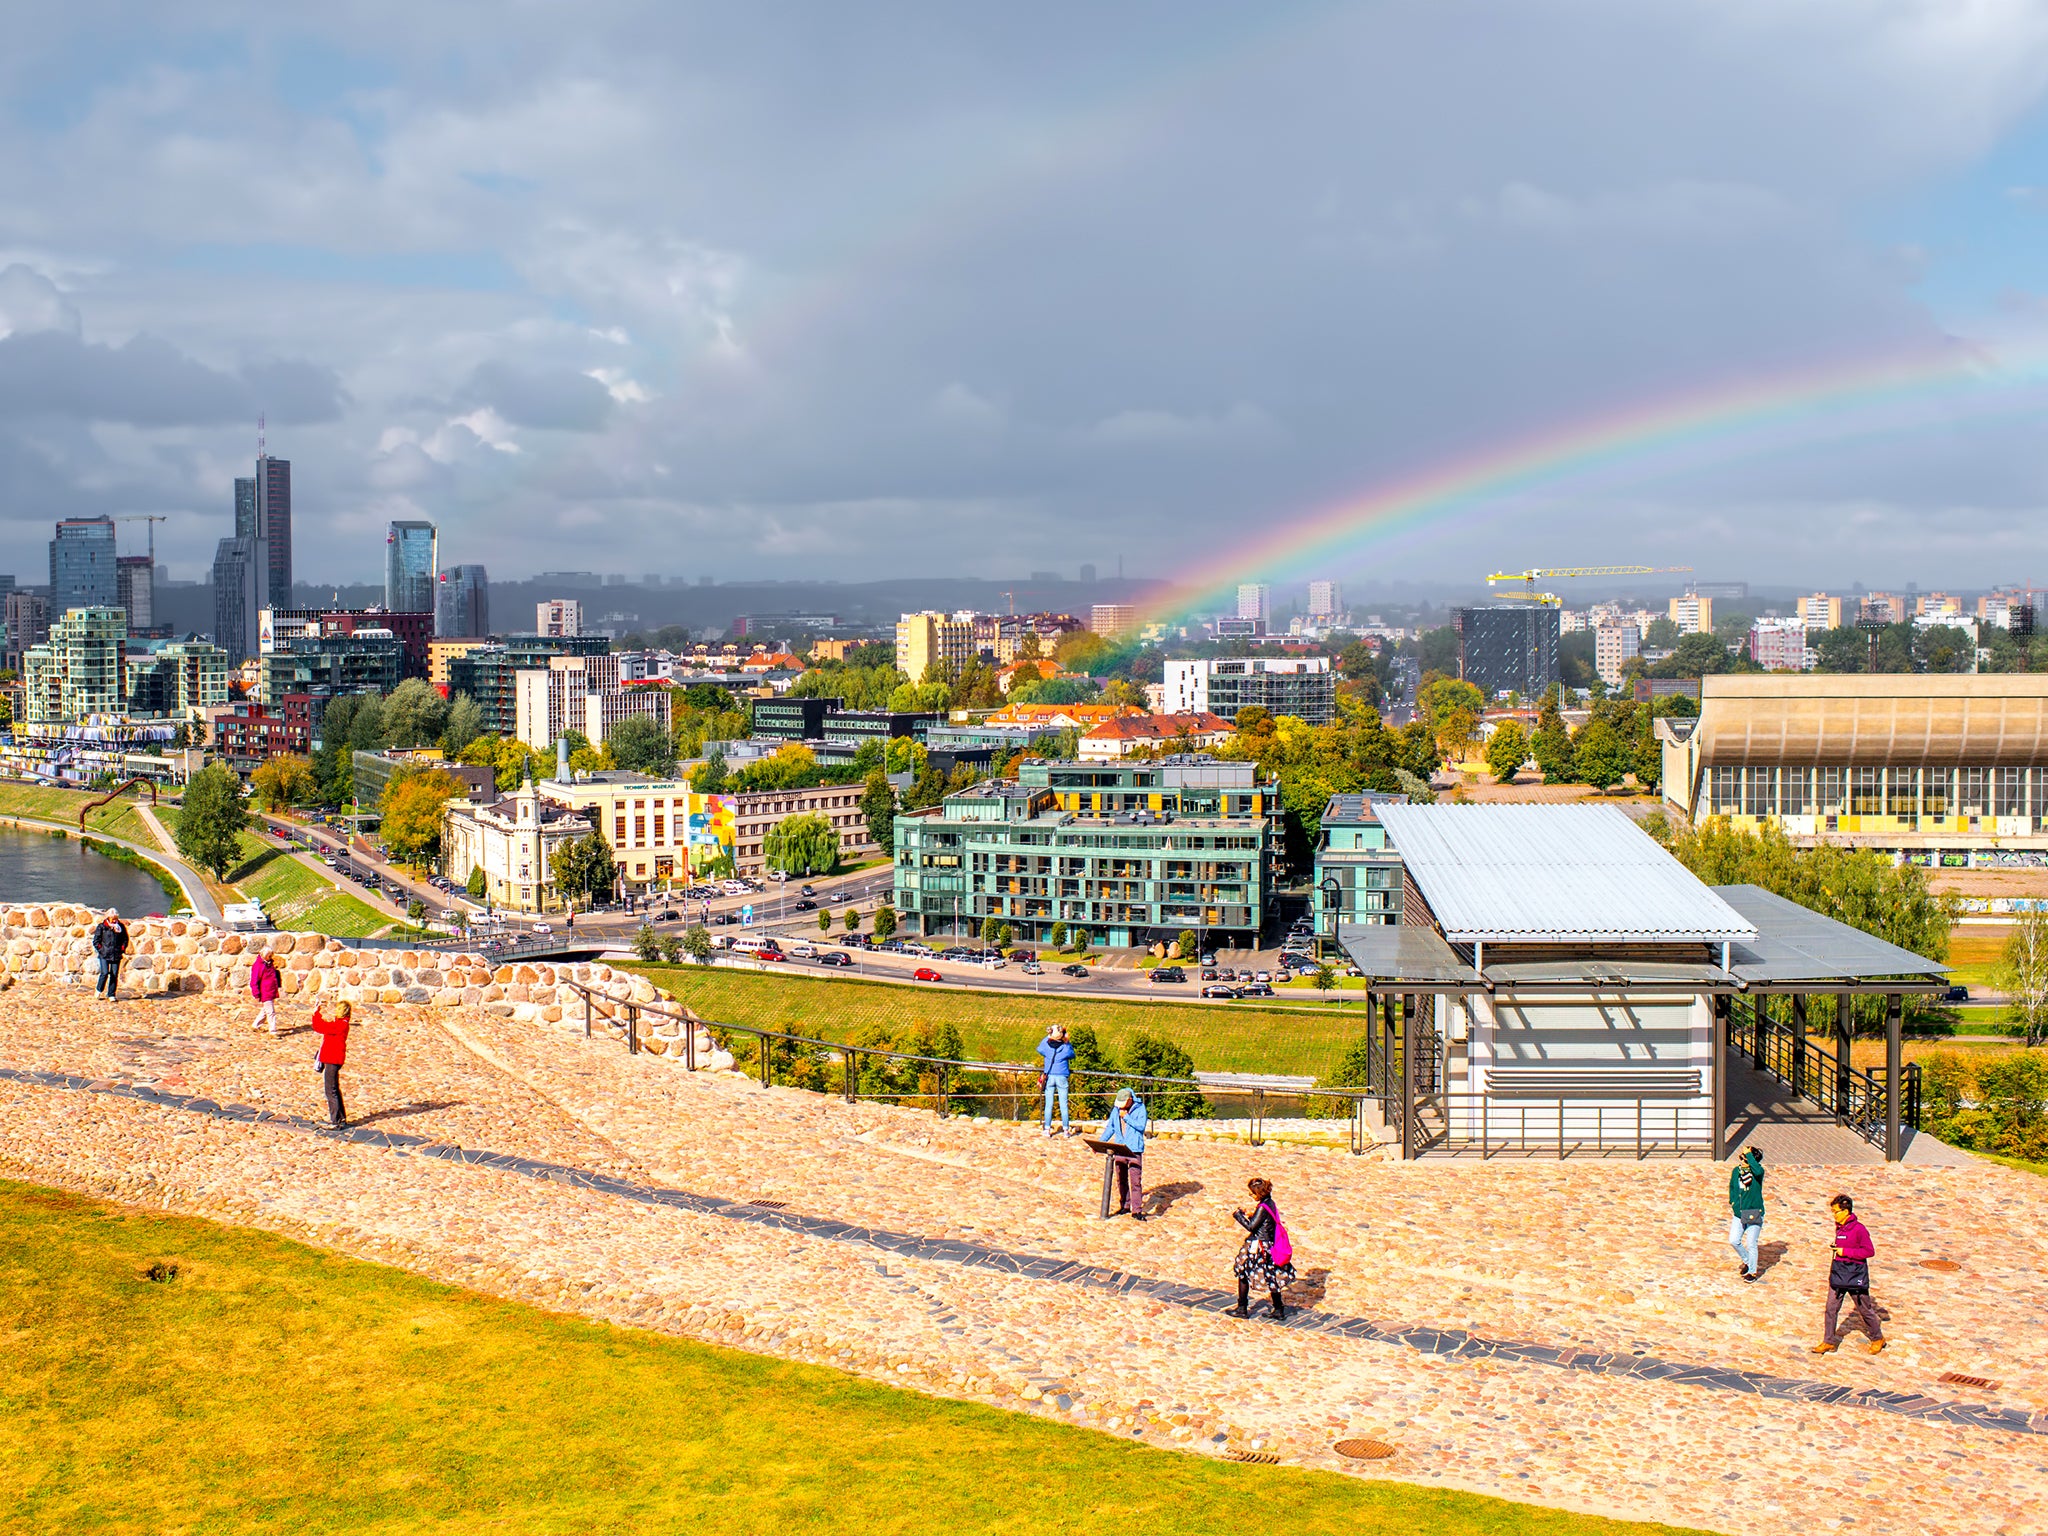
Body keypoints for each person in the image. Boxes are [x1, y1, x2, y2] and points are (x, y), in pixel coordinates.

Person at [1813, 1193, 1885, 1355]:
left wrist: (1845, 1251)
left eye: (1836, 1212)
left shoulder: (1859, 1229)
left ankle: (1877, 1337)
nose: (1834, 1215)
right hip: (1839, 1273)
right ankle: (1828, 1341)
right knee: (1831, 1308)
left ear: (1846, 1211)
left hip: (1854, 1274)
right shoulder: (1840, 1227)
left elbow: (1868, 1251)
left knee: (1864, 1309)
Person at [1230, 1177, 1297, 1320]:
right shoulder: (1269, 1203)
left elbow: (1251, 1226)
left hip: (1258, 1246)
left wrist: (1238, 1215)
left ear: (1259, 1194)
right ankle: (1278, 1309)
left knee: (1242, 1271)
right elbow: (1263, 1220)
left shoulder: (1262, 1207)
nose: (1250, 1195)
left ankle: (1242, 1308)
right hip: (1269, 1245)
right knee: (1271, 1276)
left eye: (1252, 1193)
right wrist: (1252, 1215)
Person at [306, 1000, 354, 1130]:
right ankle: (341, 1118)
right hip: (333, 1059)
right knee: (334, 1089)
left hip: (332, 1059)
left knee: (330, 1090)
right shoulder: (341, 1023)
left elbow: (320, 1027)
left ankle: (336, 1121)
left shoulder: (340, 1025)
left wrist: (316, 1013)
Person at [1101, 1086, 1148, 1219]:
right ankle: (1125, 1206)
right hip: (1120, 1148)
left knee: (1135, 1181)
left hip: (1134, 1150)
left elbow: (1140, 1127)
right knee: (1121, 1179)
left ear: (1130, 1100)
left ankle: (1137, 1210)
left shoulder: (1140, 1109)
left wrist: (1126, 1117)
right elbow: (1111, 1127)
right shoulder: (1116, 1110)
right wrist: (1101, 1142)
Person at [1727, 1145, 1765, 1282]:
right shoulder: (1736, 1171)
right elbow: (1732, 1187)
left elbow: (1757, 1170)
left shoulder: (1757, 1173)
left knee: (1751, 1243)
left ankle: (1752, 1272)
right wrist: (1733, 1201)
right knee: (1734, 1240)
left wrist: (1749, 1154)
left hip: (1754, 1212)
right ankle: (1748, 1261)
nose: (1742, 1159)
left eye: (1745, 1157)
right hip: (1739, 1213)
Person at [1037, 1025, 1074, 1137]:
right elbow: (1072, 1054)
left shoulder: (1046, 1046)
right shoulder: (1065, 1047)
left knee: (1049, 1104)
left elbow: (1039, 1048)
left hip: (1050, 1077)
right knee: (1063, 1104)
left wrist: (1048, 1035)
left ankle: (1047, 1129)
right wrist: (1067, 1041)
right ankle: (1066, 1130)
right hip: (1062, 1076)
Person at [90, 912, 129, 1001]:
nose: (115, 920)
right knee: (104, 973)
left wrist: (122, 948)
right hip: (104, 954)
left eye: (116, 918)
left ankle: (111, 994)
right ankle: (99, 990)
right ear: (108, 918)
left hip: (116, 954)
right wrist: (101, 949)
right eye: (113, 919)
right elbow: (96, 940)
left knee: (114, 974)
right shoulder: (102, 927)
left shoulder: (120, 927)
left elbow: (125, 939)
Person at [248, 951, 282, 1036]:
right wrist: (256, 993)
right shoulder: (258, 965)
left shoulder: (269, 964)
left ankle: (255, 1025)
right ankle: (273, 1031)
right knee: (271, 1012)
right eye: (269, 955)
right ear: (265, 955)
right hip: (265, 992)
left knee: (265, 1009)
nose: (271, 957)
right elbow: (254, 981)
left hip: (270, 990)